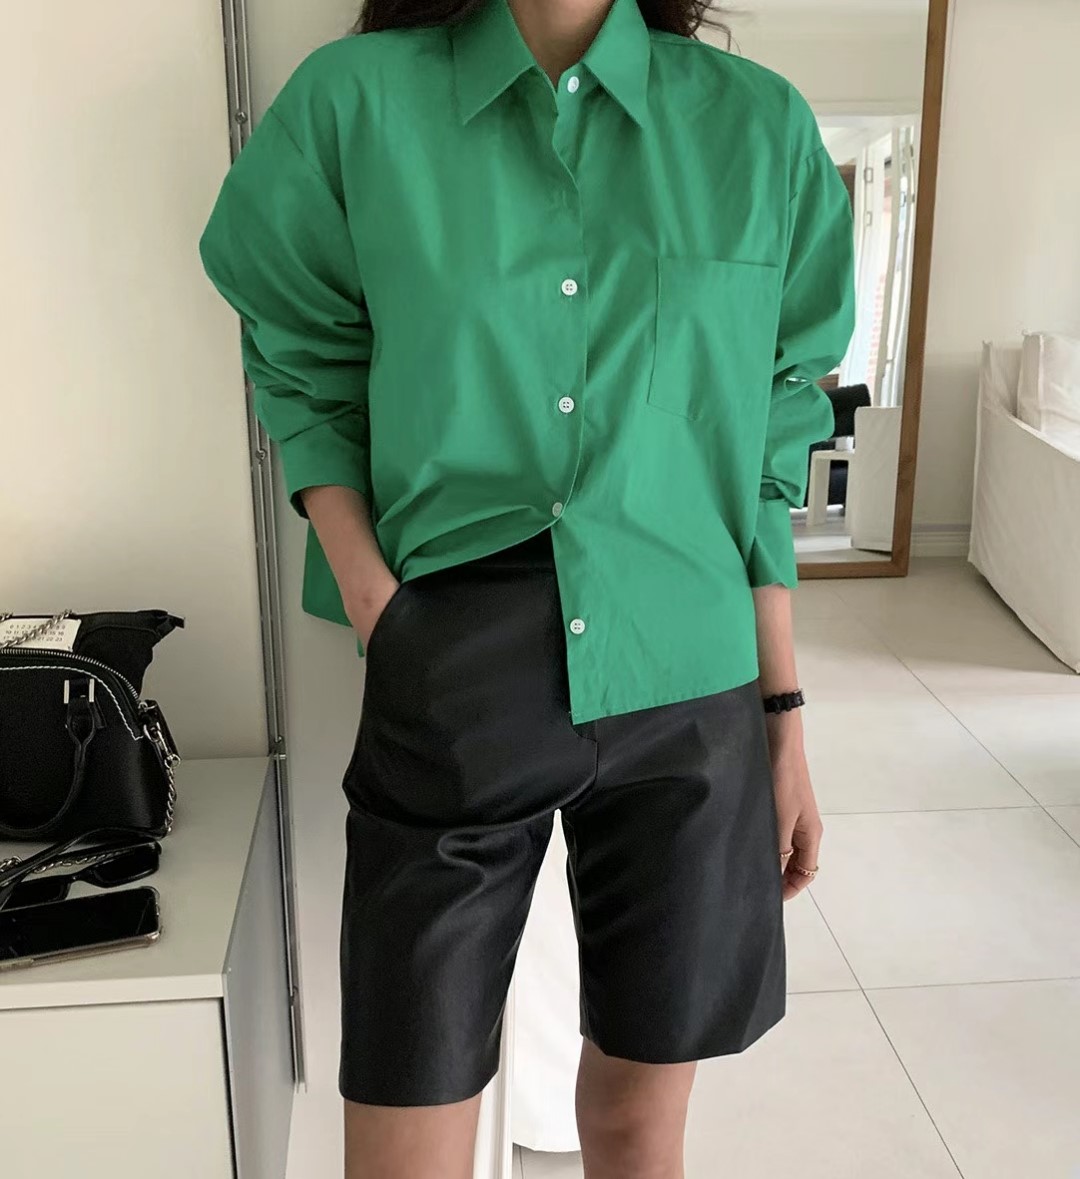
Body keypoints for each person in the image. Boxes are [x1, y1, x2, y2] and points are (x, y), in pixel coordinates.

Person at [199, 0, 856, 1173]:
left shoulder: (757, 127)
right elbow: (300, 358)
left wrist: (783, 711)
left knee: (641, 1126)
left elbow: (771, 432)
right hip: (455, 665)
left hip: (691, 679)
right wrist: (380, 604)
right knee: (404, 1127)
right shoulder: (355, 105)